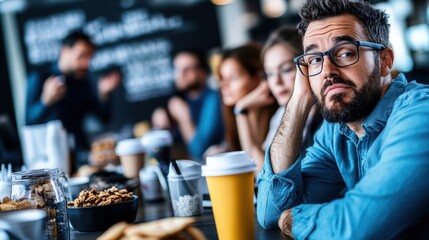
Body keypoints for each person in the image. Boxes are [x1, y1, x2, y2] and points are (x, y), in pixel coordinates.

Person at [257, 0, 429, 239]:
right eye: (315, 59)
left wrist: (293, 218)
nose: (327, 70)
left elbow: (358, 226)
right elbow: (269, 212)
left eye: (346, 52)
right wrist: (298, 101)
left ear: (385, 61)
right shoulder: (335, 131)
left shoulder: (420, 114)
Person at [234, 26, 322, 173]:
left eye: (286, 69)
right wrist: (241, 110)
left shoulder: (328, 116)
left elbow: (266, 173)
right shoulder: (281, 113)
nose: (276, 82)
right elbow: (260, 171)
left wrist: (241, 111)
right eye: (269, 74)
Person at [25, 31, 121, 156]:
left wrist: (104, 93)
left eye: (90, 57)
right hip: (50, 157)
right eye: (82, 56)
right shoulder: (39, 78)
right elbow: (28, 123)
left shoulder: (83, 82)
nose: (86, 63)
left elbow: (103, 118)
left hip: (82, 153)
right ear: (65, 51)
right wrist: (46, 101)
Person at [205, 43, 277, 164]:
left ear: (260, 78)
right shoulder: (237, 116)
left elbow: (259, 171)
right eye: (222, 78)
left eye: (233, 77)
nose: (223, 85)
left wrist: (241, 109)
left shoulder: (280, 117)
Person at [151, 49, 224, 161]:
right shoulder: (182, 99)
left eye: (187, 69)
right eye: (177, 69)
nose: (180, 75)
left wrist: (183, 117)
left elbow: (199, 151)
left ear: (203, 73)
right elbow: (154, 153)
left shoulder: (213, 98)